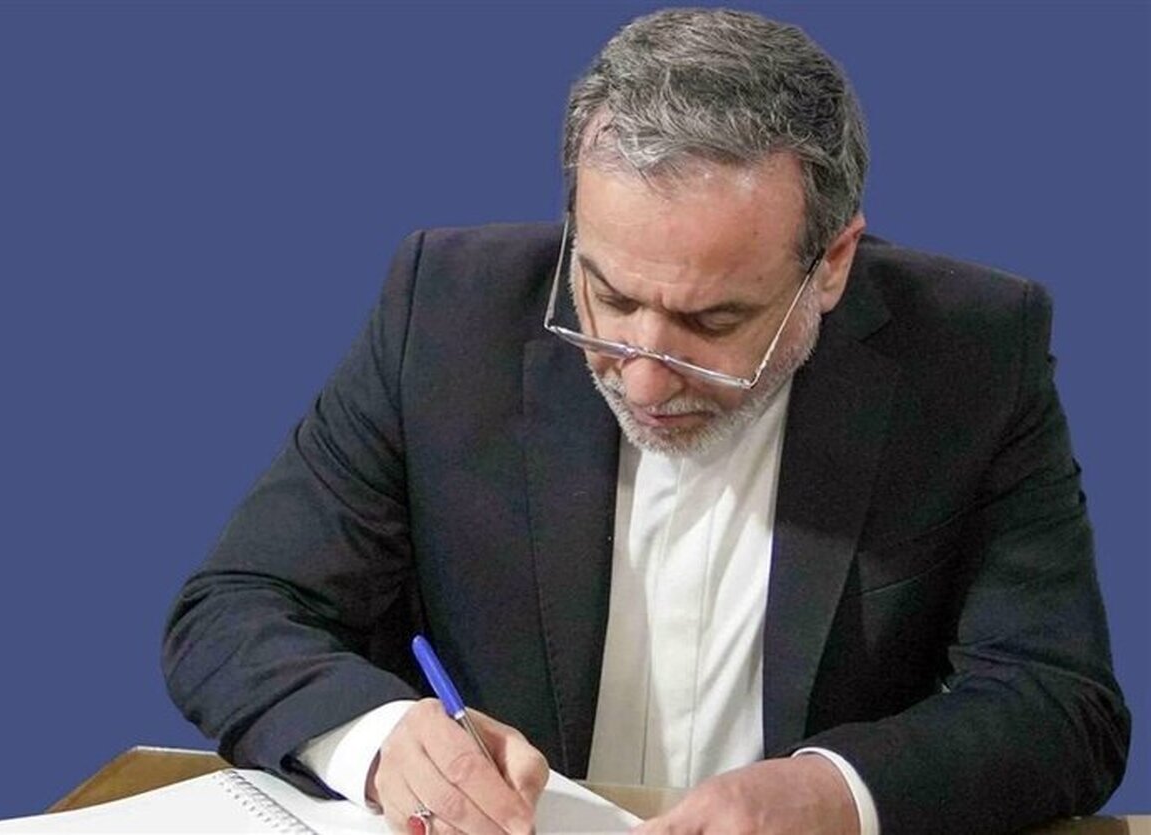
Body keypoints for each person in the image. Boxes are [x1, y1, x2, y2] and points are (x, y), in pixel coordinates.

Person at [162, 8, 1130, 834]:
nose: (642, 373)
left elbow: (1060, 702)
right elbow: (235, 608)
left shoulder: (972, 352)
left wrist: (832, 793)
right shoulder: (447, 312)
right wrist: (379, 740)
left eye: (713, 321)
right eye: (611, 297)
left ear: (832, 265)